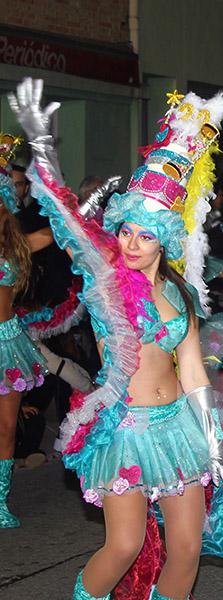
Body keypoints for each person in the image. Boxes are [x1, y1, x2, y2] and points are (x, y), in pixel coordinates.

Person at [9, 79, 223, 600]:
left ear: (166, 240)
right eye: (126, 230)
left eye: (146, 234)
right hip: (125, 429)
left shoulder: (180, 290)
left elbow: (193, 369)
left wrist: (218, 444)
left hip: (179, 425)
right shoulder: (107, 280)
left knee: (188, 550)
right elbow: (66, 222)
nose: (131, 243)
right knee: (124, 546)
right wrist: (43, 147)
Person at [0, 133, 46, 528]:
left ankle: (0, 500)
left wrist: (69, 208)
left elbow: (52, 235)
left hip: (9, 341)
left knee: (7, 426)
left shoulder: (16, 247)